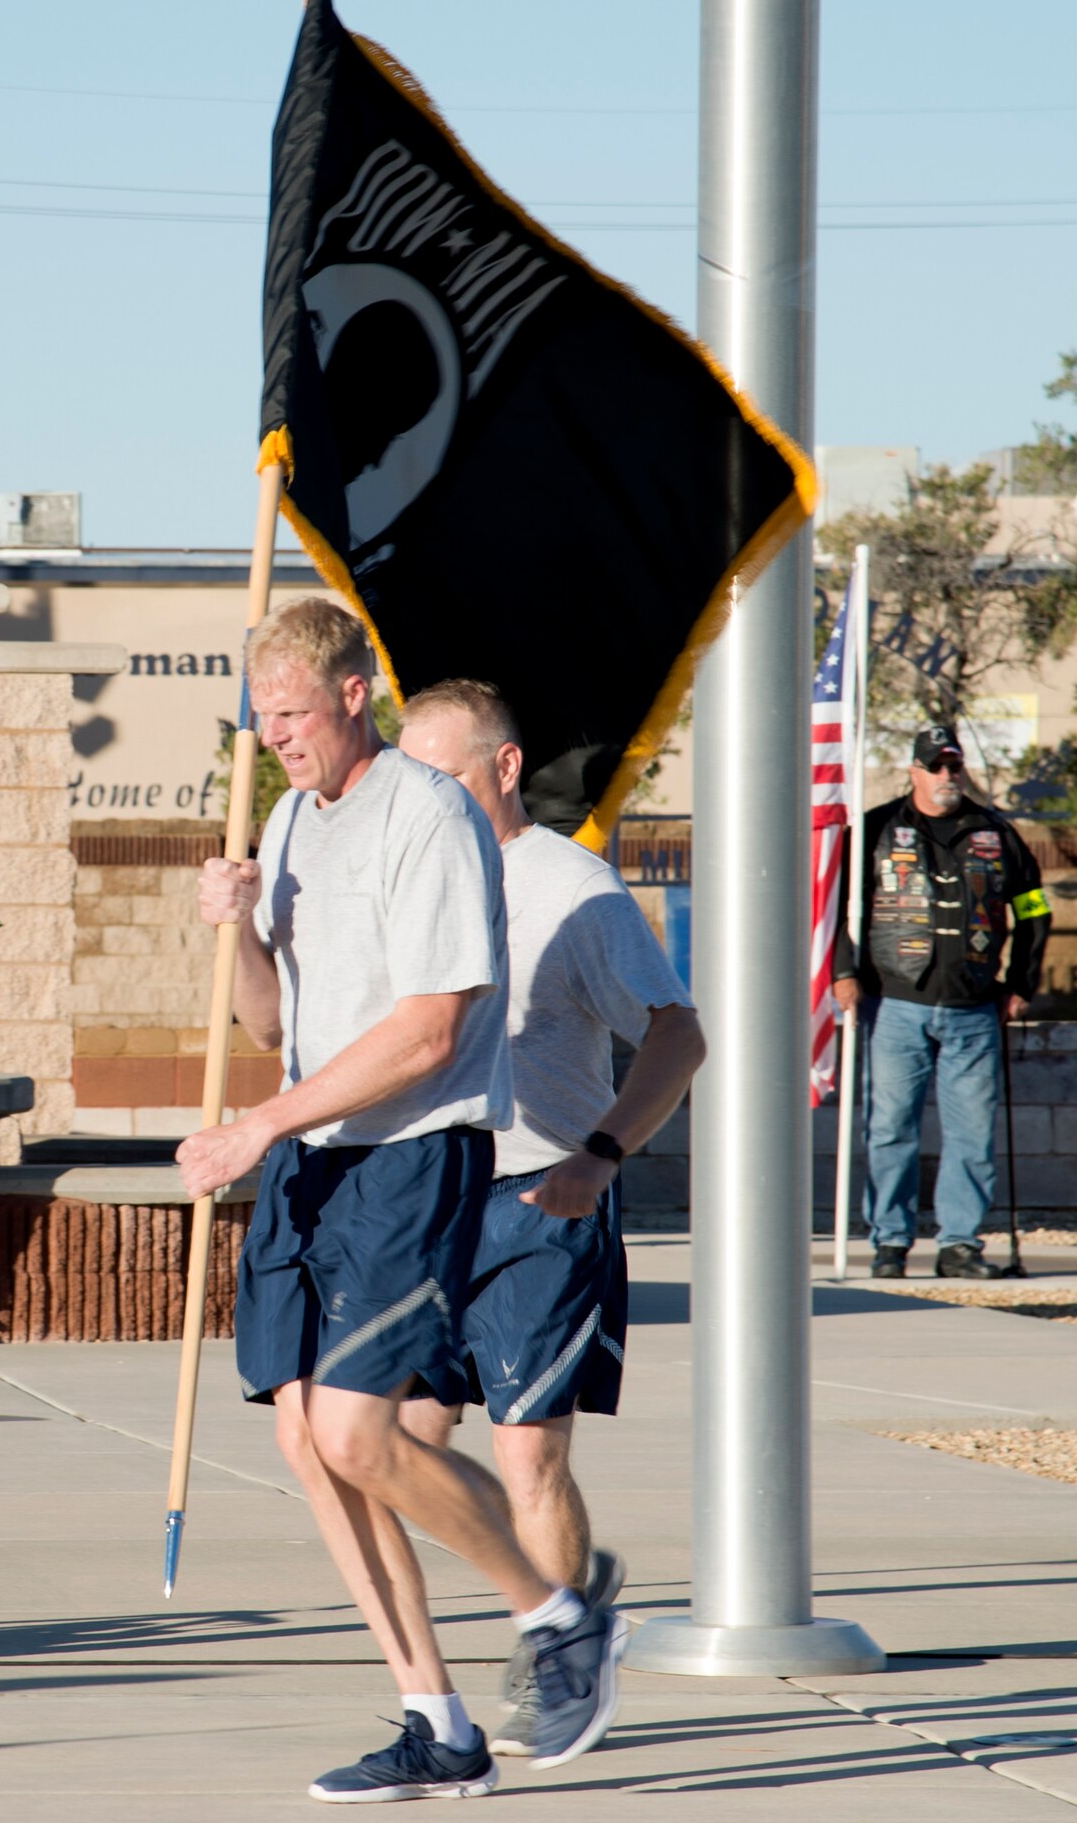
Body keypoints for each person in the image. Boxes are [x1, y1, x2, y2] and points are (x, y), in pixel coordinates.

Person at [177, 600, 627, 1803]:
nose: (276, 736)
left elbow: (432, 1029)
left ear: (353, 693)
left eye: (293, 713)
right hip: (306, 1161)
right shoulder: (285, 818)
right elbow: (272, 1024)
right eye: (261, 718)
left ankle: (561, 1613)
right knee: (309, 1445)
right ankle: (437, 1718)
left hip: (406, 1156)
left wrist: (257, 1124)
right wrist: (239, 935)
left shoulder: (424, 814)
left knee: (357, 1429)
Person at [396, 679, 705, 1756]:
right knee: (385, 1445)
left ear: (504, 766)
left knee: (526, 1453)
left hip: (539, 1198)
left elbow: (676, 1035)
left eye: (440, 773)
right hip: (423, 1200)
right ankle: (562, 1593)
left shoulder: (573, 889)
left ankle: (562, 1657)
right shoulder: (408, 881)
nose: (419, 793)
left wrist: (601, 1152)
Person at [832, 722, 1050, 1280]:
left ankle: (959, 1245)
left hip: (975, 1009)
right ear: (915, 771)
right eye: (936, 766)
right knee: (889, 1130)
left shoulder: (996, 832)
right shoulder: (877, 829)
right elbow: (836, 908)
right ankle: (890, 1242)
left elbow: (1033, 909)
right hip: (894, 1006)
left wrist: (1022, 982)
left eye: (954, 765)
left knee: (972, 1134)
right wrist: (843, 972)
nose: (947, 775)